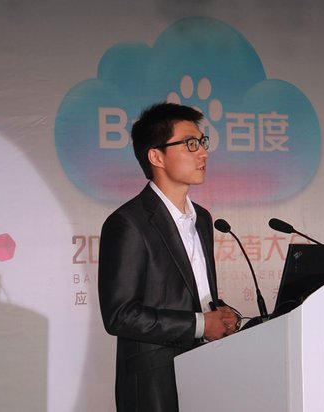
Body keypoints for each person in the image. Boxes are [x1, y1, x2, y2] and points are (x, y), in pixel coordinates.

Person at [98, 102, 239, 412]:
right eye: (190, 144)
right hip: (155, 383)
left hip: (203, 370)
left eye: (202, 142)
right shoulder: (128, 223)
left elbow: (190, 293)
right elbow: (120, 314)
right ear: (156, 156)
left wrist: (219, 313)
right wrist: (201, 324)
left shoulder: (202, 218)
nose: (203, 153)